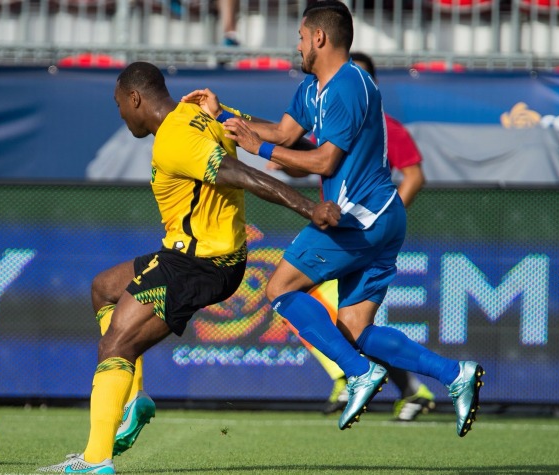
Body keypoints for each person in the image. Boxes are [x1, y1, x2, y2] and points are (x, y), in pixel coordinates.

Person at [182, 0, 483, 437]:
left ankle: (358, 375)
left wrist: (256, 148)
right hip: (376, 219)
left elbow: (323, 161)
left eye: (301, 37)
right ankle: (455, 373)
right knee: (354, 328)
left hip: (361, 218)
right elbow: (285, 133)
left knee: (280, 287)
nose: (297, 45)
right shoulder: (312, 89)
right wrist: (223, 112)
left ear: (319, 38)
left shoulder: (349, 85)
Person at [38, 60, 340, 474]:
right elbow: (264, 131)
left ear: (135, 98)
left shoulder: (175, 138)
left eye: (119, 105)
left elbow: (241, 174)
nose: (121, 114)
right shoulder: (198, 114)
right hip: (191, 253)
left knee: (116, 346)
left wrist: (310, 208)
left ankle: (95, 462)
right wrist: (228, 112)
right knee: (104, 288)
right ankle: (134, 402)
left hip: (200, 262)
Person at [316, 50, 433, 421]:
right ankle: (405, 387)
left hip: (361, 238)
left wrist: (380, 220)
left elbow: (414, 176)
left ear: (373, 84)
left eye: (359, 77)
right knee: (345, 321)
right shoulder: (333, 124)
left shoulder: (387, 127)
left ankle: (354, 375)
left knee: (293, 293)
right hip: (337, 234)